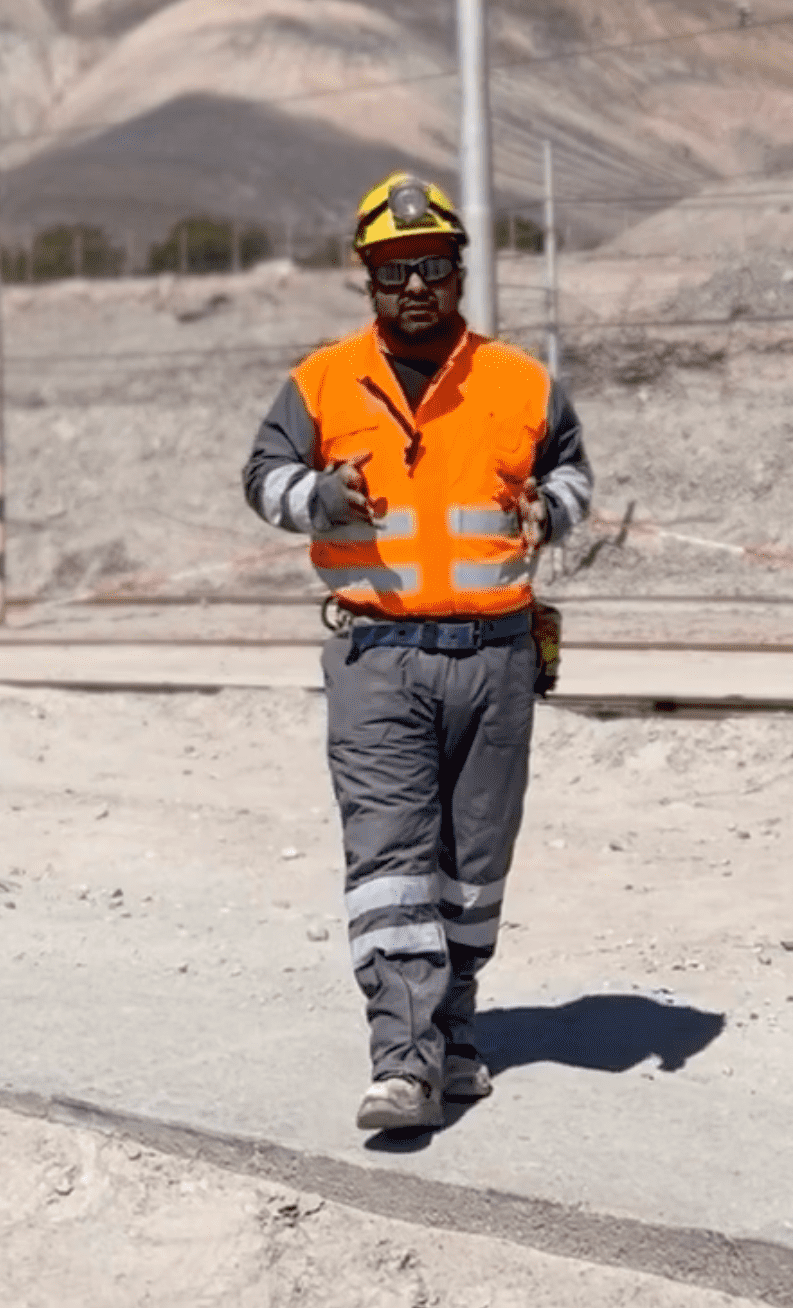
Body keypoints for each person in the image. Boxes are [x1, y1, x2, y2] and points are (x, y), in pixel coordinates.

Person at [241, 171, 592, 1134]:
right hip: (377, 660)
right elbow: (262, 476)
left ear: (459, 274)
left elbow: (573, 472)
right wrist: (317, 498)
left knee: (472, 868)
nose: (415, 288)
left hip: (497, 659)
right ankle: (403, 1061)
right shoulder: (320, 382)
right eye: (395, 271)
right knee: (392, 861)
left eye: (431, 267)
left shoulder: (519, 381)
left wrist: (547, 509)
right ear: (369, 280)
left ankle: (456, 1033)